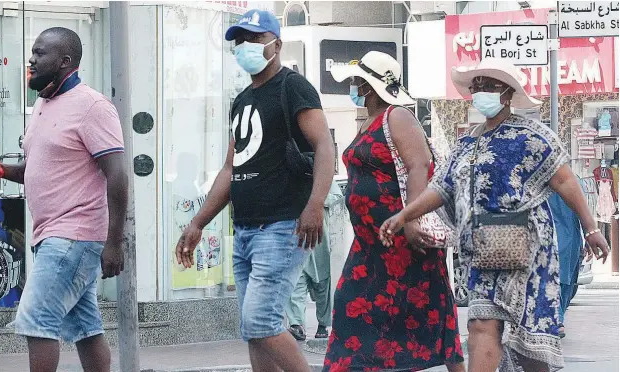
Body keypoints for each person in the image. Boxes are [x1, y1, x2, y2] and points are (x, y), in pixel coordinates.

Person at [380, 58, 610, 372]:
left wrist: (591, 228)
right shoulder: (465, 145)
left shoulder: (532, 136)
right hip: (483, 248)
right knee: (481, 323)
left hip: (529, 251)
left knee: (531, 342)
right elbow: (440, 189)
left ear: (506, 93)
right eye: (476, 87)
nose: (479, 92)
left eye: (487, 86)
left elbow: (566, 181)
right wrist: (404, 216)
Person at [175, 9, 335, 372]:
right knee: (254, 329)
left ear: (276, 44)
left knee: (261, 321)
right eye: (240, 40)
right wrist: (198, 222)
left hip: (281, 227)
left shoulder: (292, 86)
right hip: (246, 229)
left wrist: (315, 204)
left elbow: (324, 146)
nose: (245, 46)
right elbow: (231, 168)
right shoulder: (242, 99)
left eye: (255, 38)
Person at [0, 27, 128, 372]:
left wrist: (114, 242)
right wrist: (2, 171)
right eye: (32, 53)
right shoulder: (44, 104)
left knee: (36, 318)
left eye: (40, 53)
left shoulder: (93, 106)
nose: (31, 61)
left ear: (65, 61)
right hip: (53, 235)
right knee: (85, 328)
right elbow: (37, 167)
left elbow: (118, 174)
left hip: (74, 235)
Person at [323, 51, 465, 372]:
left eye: (358, 81)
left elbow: (419, 164)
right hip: (370, 245)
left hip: (400, 240)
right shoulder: (369, 121)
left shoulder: (397, 117)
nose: (354, 86)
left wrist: (411, 218)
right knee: (354, 310)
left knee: (429, 313)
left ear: (370, 86)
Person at [286, 180, 343, 341]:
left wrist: (315, 200)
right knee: (296, 282)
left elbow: (338, 200)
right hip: (296, 238)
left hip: (320, 240)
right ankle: (296, 324)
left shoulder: (324, 177)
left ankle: (323, 324)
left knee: (322, 283)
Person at [548, 191, 587, 338]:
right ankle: (558, 319)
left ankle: (556, 319)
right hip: (568, 239)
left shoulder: (538, 180)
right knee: (565, 281)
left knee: (558, 281)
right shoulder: (573, 182)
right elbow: (582, 211)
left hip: (555, 238)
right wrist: (589, 233)